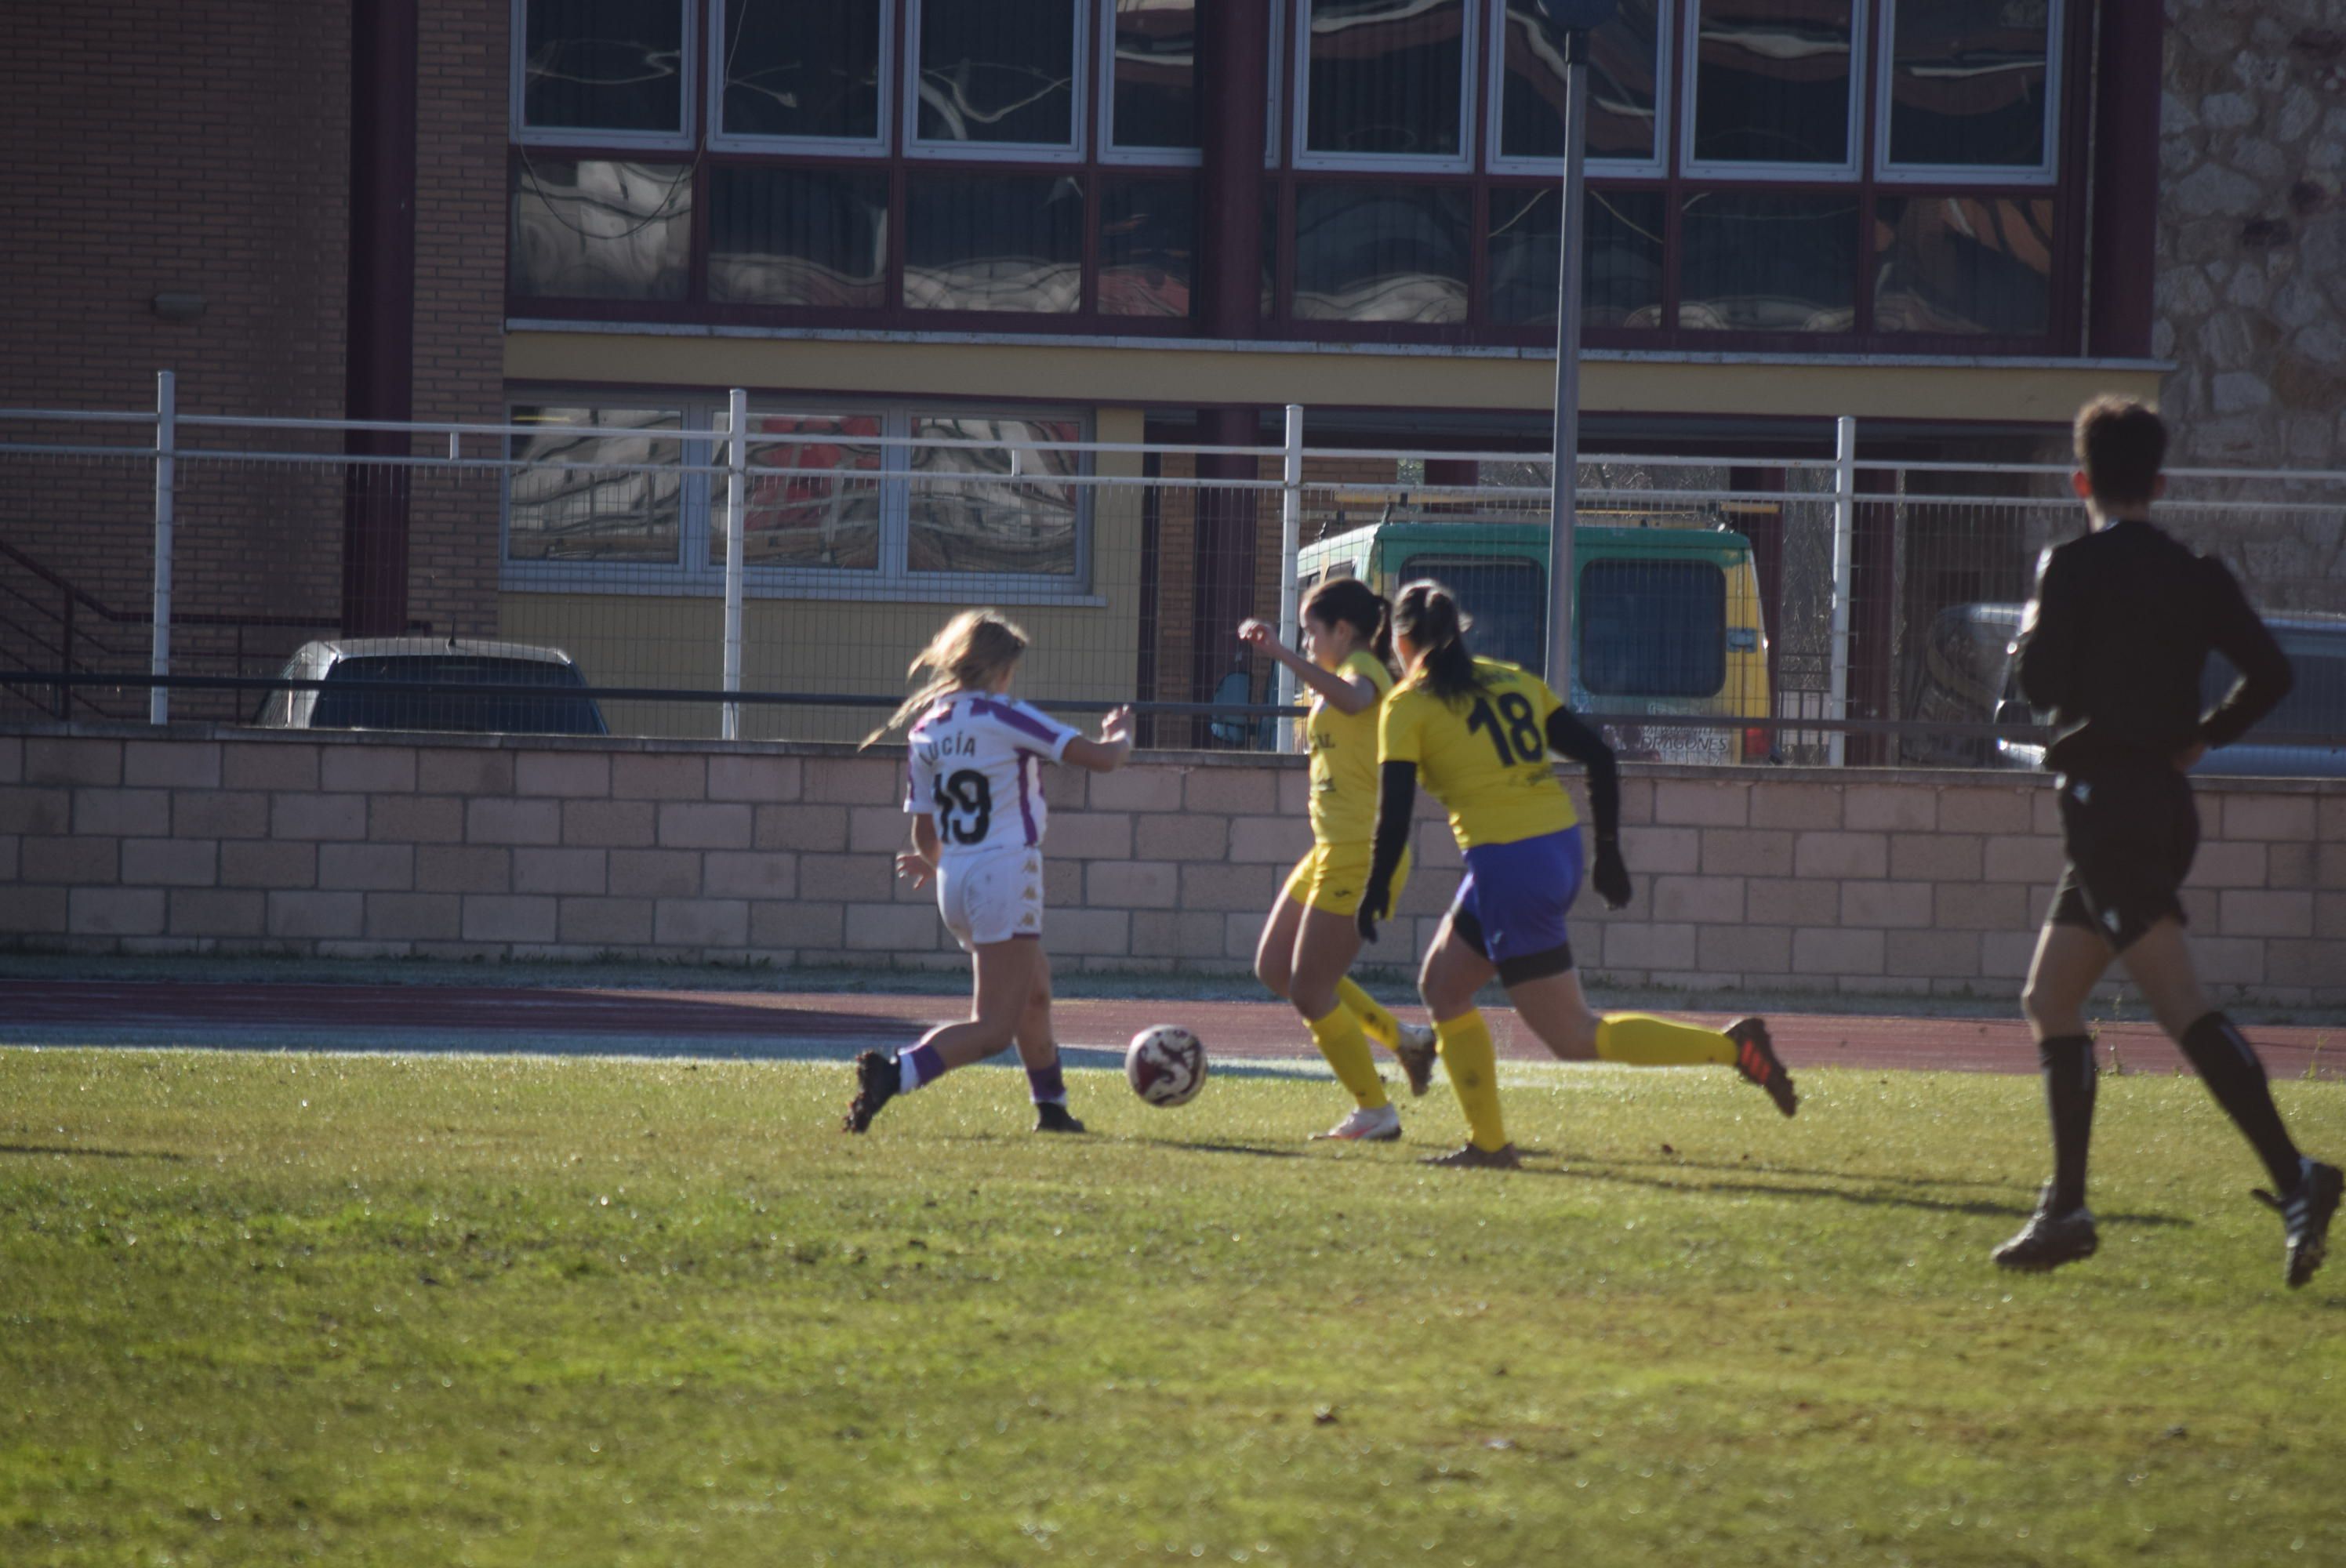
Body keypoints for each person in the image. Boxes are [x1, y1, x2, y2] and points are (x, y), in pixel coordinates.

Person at [1996, 395, 2338, 1284]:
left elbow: (2039, 683)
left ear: (2081, 481)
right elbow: (2272, 671)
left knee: (2179, 1004)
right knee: (2048, 997)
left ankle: (2298, 1174)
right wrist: (2204, 734)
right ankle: (2065, 1208)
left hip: (2110, 805)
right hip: (2154, 801)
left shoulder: (2068, 565)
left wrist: (2035, 624)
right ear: (2158, 480)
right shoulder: (2196, 571)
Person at [1356, 580, 1796, 1169]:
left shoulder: (1408, 705)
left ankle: (1732, 1048)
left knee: (1574, 1035)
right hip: (1551, 849)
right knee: (1442, 985)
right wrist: (1608, 853)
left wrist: (1375, 889)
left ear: (1402, 642)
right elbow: (1600, 756)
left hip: (1510, 864)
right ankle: (1488, 1144)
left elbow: (1395, 815)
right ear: (1457, 631)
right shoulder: (1512, 680)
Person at [843, 610, 1134, 1135]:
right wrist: (1122, 736)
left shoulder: (928, 727)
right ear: (1001, 670)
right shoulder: (1006, 715)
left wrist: (948, 866)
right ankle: (896, 1073)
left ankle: (1052, 1108)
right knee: (994, 1028)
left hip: (956, 879)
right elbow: (1102, 760)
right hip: (1004, 873)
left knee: (1034, 988)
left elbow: (924, 836)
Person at [1238, 581, 1441, 1142]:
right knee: (1275, 969)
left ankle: (1376, 1112)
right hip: (1331, 847)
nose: (1305, 643)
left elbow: (1355, 699)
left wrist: (1278, 654)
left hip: (1362, 854)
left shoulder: (1364, 672)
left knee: (1308, 988)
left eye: (1311, 632)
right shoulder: (1336, 677)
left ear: (1343, 632)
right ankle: (1403, 1040)